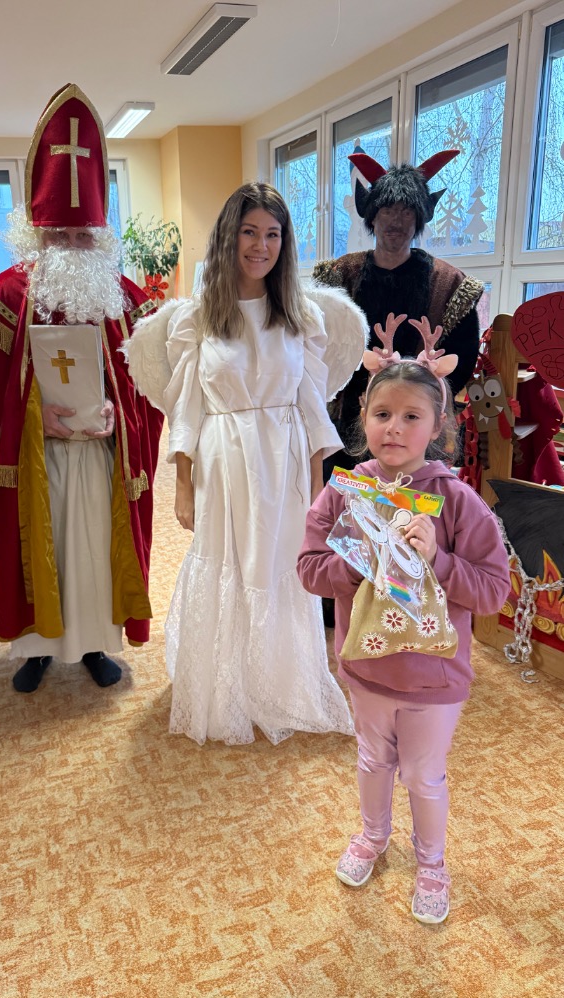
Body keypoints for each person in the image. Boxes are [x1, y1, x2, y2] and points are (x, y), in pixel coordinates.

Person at [127, 181, 368, 746]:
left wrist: (318, 490)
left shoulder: (302, 315)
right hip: (224, 458)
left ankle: (277, 684)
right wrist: (182, 485)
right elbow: (186, 409)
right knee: (228, 561)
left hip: (285, 457)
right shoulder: (197, 318)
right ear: (228, 237)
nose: (261, 246)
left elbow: (312, 408)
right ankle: (225, 686)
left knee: (279, 564)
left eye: (273, 235)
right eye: (249, 232)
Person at [297, 321, 510, 923]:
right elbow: (308, 569)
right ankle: (372, 835)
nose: (394, 427)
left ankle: (432, 863)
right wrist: (356, 562)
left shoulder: (457, 501)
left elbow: (493, 591)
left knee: (423, 775)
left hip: (434, 675)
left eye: (411, 416)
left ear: (437, 426)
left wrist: (437, 561)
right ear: (363, 420)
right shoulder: (344, 492)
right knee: (372, 761)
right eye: (382, 414)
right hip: (366, 665)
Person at [0, 83, 163, 695]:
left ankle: (96, 645)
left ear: (99, 237)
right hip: (40, 457)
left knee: (94, 548)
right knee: (42, 545)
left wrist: (119, 414)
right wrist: (36, 419)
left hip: (102, 455)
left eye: (83, 238)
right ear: (38, 234)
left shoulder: (126, 300)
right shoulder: (3, 300)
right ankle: (36, 650)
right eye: (60, 236)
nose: (72, 249)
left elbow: (149, 387)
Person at [312, 150, 485, 626]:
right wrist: (358, 374)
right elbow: (318, 348)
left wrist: (425, 381)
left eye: (408, 211)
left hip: (415, 430)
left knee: (410, 514)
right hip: (347, 426)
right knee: (347, 513)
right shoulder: (338, 278)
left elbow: (462, 359)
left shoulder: (449, 284)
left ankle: (406, 604)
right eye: (387, 209)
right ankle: (341, 607)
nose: (396, 220)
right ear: (371, 214)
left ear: (421, 217)